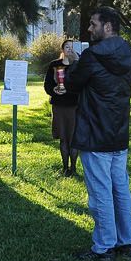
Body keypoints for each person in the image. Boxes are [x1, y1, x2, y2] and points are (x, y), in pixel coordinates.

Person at [65, 6, 131, 260]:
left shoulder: (92, 56)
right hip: (119, 131)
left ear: (108, 26)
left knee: (100, 192)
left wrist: (74, 63)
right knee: (120, 188)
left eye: (93, 24)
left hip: (95, 132)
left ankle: (104, 246)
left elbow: (73, 85)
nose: (89, 28)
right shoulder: (130, 54)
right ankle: (125, 242)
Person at [43, 38, 80, 176]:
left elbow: (81, 84)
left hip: (75, 106)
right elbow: (47, 84)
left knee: (73, 139)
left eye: (72, 47)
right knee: (63, 137)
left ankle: (74, 168)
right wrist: (54, 90)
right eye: (67, 47)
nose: (70, 50)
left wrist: (68, 90)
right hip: (59, 106)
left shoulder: (78, 65)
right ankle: (65, 168)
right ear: (62, 50)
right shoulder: (54, 65)